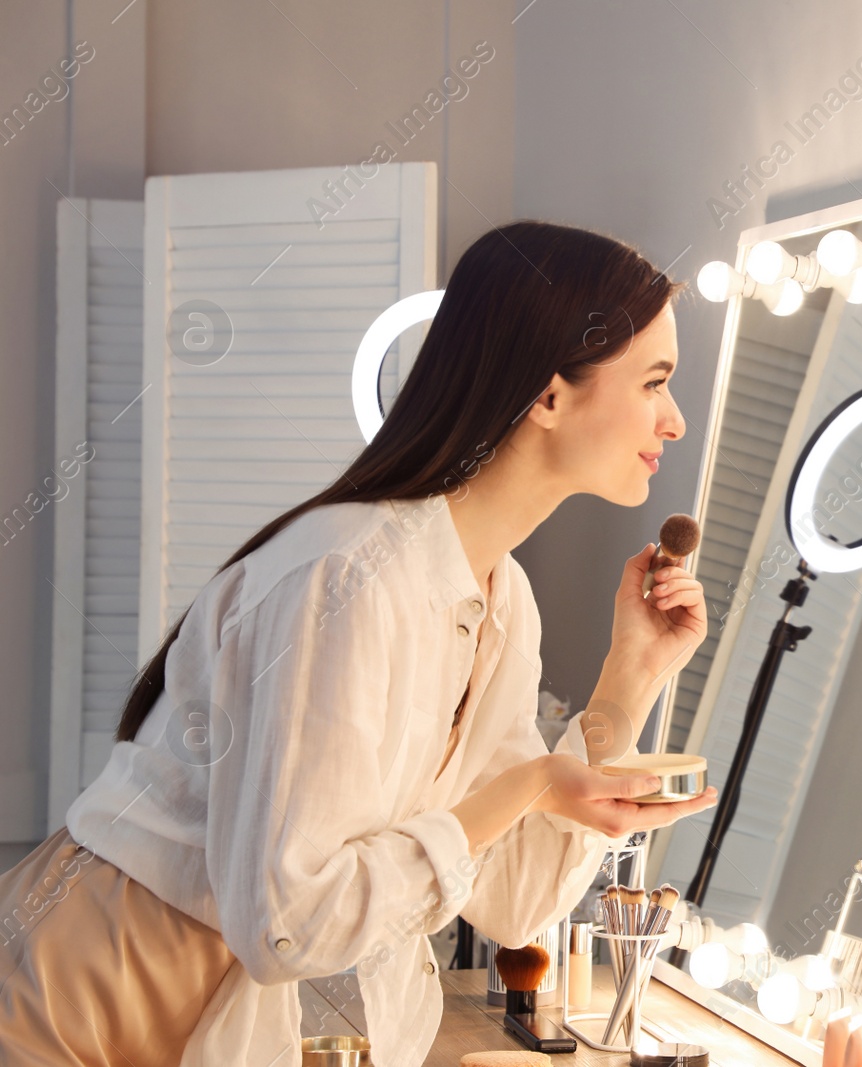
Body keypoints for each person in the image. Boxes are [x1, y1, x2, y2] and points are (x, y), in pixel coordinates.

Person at [0, 220, 719, 1067]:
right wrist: (529, 783)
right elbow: (289, 923)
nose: (673, 420)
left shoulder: (502, 599)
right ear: (550, 394)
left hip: (220, 1001)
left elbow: (513, 898)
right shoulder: (346, 577)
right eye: (655, 382)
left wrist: (628, 679)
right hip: (98, 986)